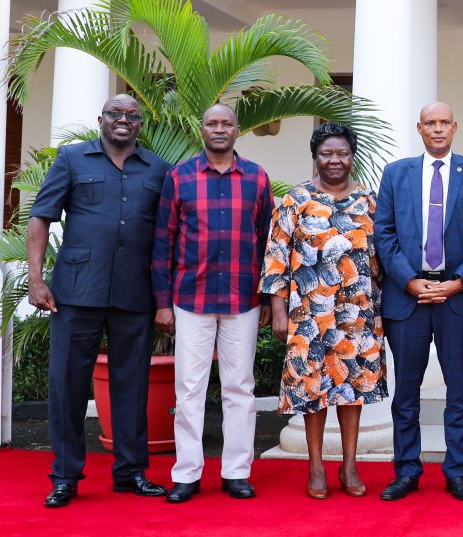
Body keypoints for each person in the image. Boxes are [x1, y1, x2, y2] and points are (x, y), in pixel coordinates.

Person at [26, 95, 170, 508]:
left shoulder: (158, 170)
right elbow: (41, 216)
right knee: (67, 386)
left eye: (132, 115)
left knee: (132, 387)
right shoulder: (72, 159)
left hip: (134, 293)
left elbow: (167, 236)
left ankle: (130, 473)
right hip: (76, 292)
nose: (123, 120)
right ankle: (65, 477)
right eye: (115, 114)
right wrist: (36, 280)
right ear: (101, 119)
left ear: (140, 124)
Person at [373, 102, 463, 502]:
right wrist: (410, 282)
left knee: (458, 390)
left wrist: (458, 282)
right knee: (406, 392)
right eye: (431, 123)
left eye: (445, 122)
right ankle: (407, 470)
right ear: (419, 128)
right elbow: (384, 235)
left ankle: (457, 471)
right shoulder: (396, 174)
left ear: (455, 127)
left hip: (457, 298)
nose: (438, 129)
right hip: (407, 298)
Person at [152, 104, 274, 504]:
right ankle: (187, 473)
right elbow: (163, 242)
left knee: (240, 387)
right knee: (189, 388)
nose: (219, 129)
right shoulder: (180, 176)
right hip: (191, 297)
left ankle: (236, 471)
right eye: (211, 123)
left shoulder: (257, 177)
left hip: (243, 297)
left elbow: (266, 242)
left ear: (238, 130)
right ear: (200, 128)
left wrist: (270, 299)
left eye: (226, 123)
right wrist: (163, 302)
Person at [261, 122, 388, 499]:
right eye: (326, 154)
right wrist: (279, 311)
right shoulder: (296, 201)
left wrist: (383, 312)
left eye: (342, 153)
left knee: (353, 388)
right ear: (315, 157)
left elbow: (382, 260)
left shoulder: (369, 201)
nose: (335, 160)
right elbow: (276, 258)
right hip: (309, 315)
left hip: (359, 313)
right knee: (312, 390)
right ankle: (316, 467)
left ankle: (349, 465)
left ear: (352, 157)